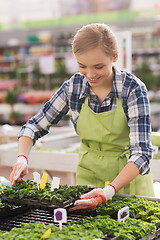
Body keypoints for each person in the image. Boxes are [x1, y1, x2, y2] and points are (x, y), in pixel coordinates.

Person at [10, 23, 154, 210]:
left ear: (115, 57)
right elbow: (34, 126)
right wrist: (22, 158)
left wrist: (109, 191)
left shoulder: (133, 89)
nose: (91, 75)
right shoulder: (73, 87)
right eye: (82, 66)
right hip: (89, 180)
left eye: (99, 66)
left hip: (129, 182)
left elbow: (142, 153)